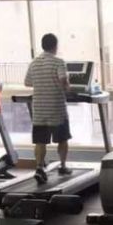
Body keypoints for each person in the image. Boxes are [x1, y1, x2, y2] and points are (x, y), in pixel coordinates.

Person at [24, 33, 73, 184]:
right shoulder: (58, 62)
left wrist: (41, 83)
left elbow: (27, 82)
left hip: (39, 109)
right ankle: (63, 166)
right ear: (55, 46)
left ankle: (39, 168)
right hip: (56, 109)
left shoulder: (34, 63)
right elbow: (63, 80)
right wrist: (68, 88)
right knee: (62, 139)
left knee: (40, 141)